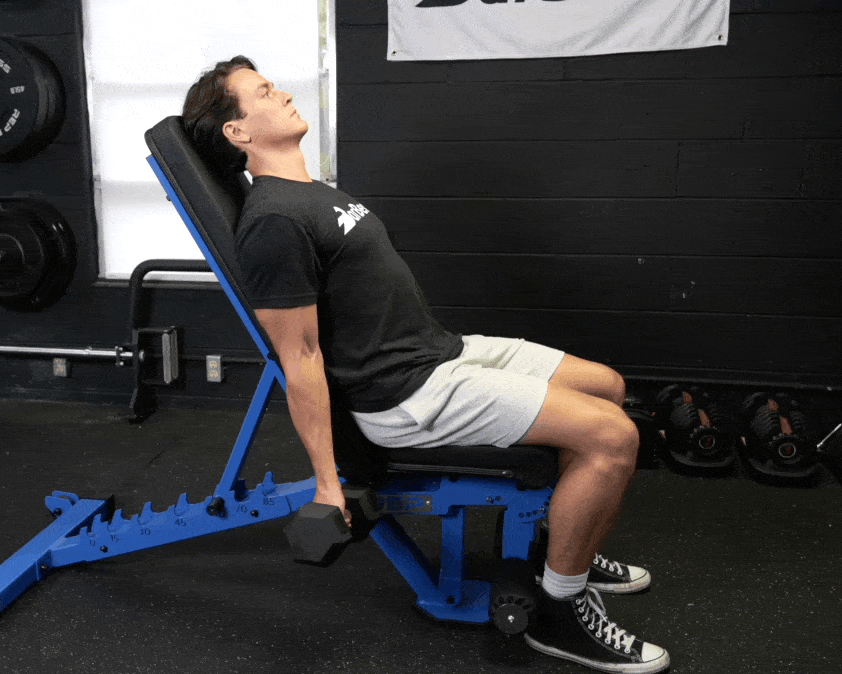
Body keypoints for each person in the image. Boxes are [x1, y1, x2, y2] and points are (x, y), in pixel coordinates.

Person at [182, 55, 670, 674]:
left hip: (444, 351)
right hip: (409, 393)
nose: (281, 94)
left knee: (609, 387)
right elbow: (299, 358)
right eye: (262, 92)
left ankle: (565, 549)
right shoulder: (274, 221)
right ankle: (559, 613)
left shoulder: (309, 192)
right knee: (613, 438)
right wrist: (329, 485)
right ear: (238, 132)